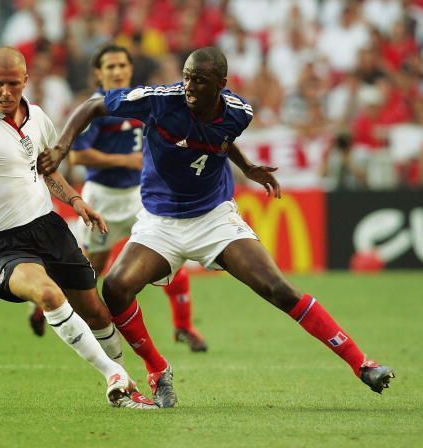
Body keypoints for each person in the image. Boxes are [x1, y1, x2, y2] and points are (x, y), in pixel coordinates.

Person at [38, 46, 395, 408]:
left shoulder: (240, 112)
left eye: (200, 81)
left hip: (213, 218)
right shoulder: (160, 101)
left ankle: (363, 364)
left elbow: (223, 138)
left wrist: (247, 167)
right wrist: (63, 147)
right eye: (187, 76)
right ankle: (158, 370)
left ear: (221, 85)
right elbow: (92, 106)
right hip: (160, 221)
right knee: (115, 288)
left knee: (279, 289)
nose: (189, 86)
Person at [0, 46, 157, 410]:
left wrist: (75, 201)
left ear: (26, 81)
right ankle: (114, 376)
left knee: (97, 312)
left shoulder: (39, 117)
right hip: (3, 244)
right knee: (48, 294)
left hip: (49, 228)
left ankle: (126, 389)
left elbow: (47, 169)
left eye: (13, 84)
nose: (6, 93)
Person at [28, 44, 208, 353]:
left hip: (141, 196)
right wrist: (127, 160)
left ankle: (184, 327)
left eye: (121, 65)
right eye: (109, 66)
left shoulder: (142, 101)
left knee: (172, 260)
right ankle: (48, 300)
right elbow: (81, 155)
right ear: (99, 73)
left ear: (129, 68)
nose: (117, 71)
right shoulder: (95, 107)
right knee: (88, 273)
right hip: (103, 199)